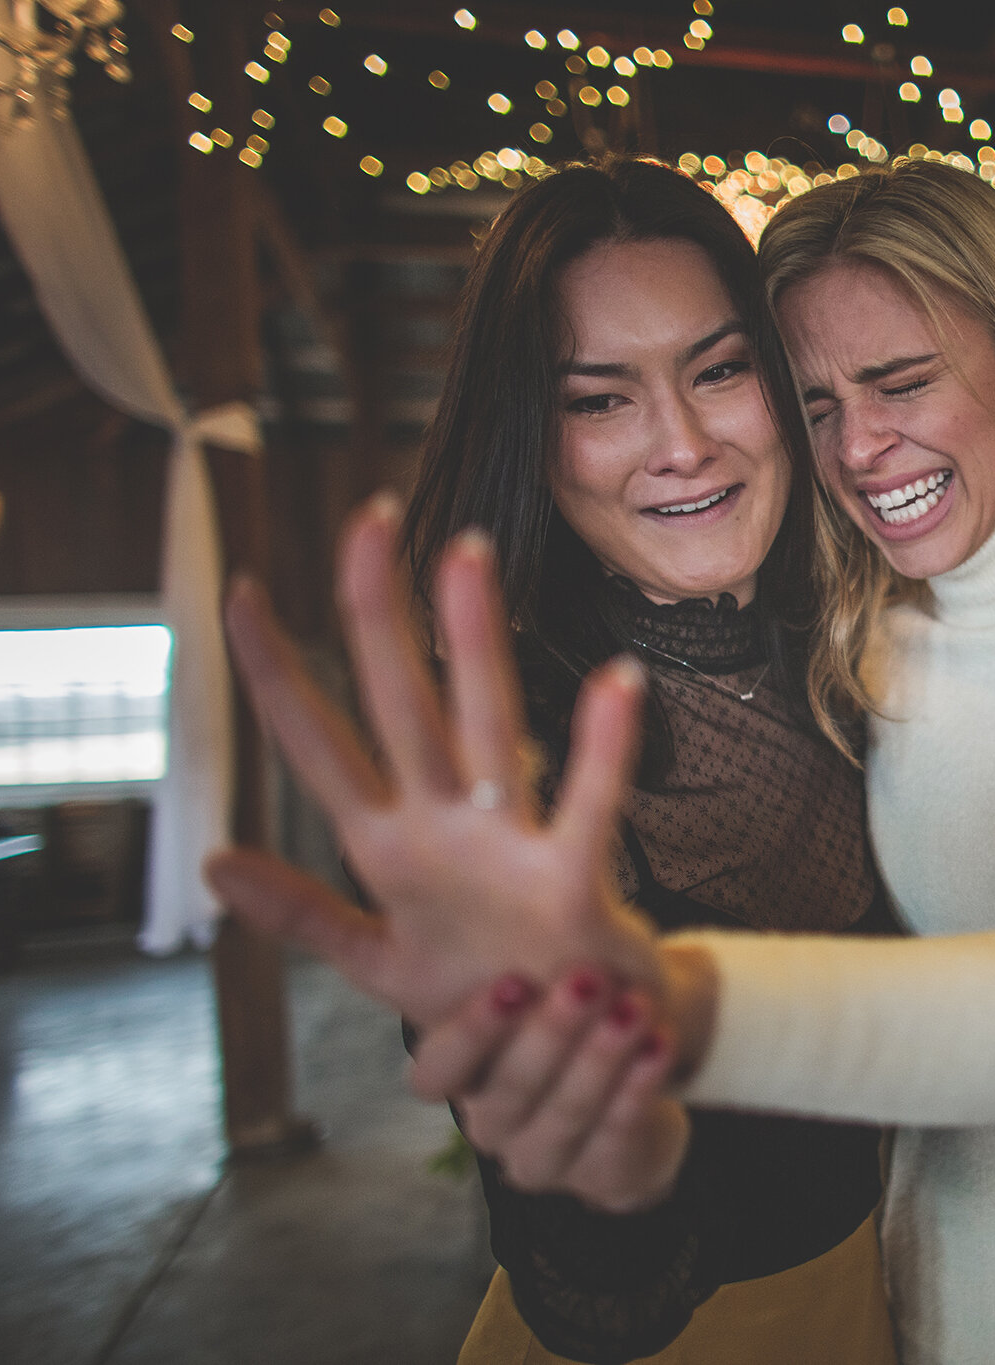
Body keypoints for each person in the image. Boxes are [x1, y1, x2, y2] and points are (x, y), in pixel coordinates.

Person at [211, 159, 995, 1365]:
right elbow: (613, 1256)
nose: (857, 445)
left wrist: (678, 1010)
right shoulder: (845, 646)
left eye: (898, 380)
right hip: (919, 1302)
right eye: (812, 401)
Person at [218, 158, 900, 1364]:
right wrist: (609, 1183)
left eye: (719, 369)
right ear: (531, 444)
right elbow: (601, 1305)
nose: (682, 444)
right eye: (600, 400)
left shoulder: (863, 643)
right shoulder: (524, 779)